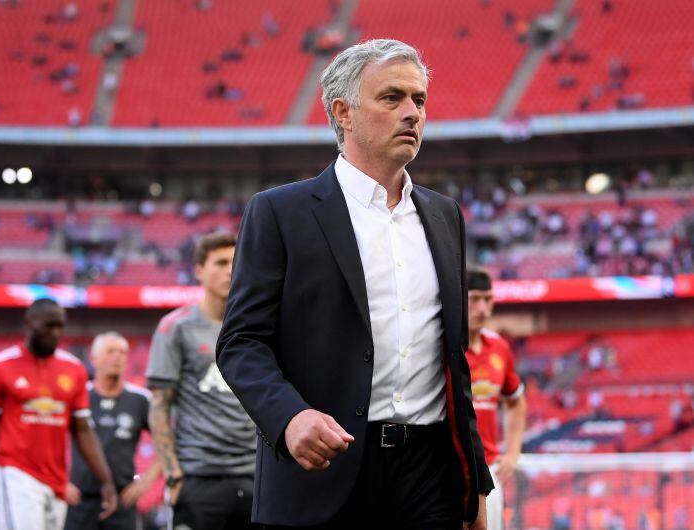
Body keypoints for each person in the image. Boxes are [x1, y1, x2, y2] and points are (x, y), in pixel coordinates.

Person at [217, 39, 493, 529]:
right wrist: (289, 418)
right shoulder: (281, 212)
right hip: (324, 469)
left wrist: (475, 483)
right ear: (343, 112)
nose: (412, 112)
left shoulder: (444, 215)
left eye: (419, 100)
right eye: (392, 98)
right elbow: (241, 342)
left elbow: (454, 361)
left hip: (431, 475)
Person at [0, 298, 117, 530]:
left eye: (60, 326)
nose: (55, 333)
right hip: (16, 475)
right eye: (49, 326)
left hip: (57, 483)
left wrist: (106, 480)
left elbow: (84, 431)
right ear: (29, 323)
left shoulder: (74, 369)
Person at [146, 232, 256, 530]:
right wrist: (174, 475)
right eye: (220, 263)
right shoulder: (176, 327)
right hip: (200, 480)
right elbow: (159, 407)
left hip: (255, 479)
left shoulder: (259, 327)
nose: (230, 270)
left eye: (236, 262)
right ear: (198, 271)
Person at [64, 332, 162, 530]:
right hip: (80, 501)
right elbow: (49, 437)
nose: (117, 357)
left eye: (122, 352)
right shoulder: (77, 396)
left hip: (122, 501)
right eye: (110, 352)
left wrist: (145, 482)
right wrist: (60, 483)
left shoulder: (140, 400)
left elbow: (167, 443)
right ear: (94, 359)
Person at [465, 266, 527, 530]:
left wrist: (512, 453)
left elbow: (516, 400)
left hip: (488, 469)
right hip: (446, 468)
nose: (482, 308)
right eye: (475, 299)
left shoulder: (499, 348)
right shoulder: (442, 345)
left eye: (488, 299)